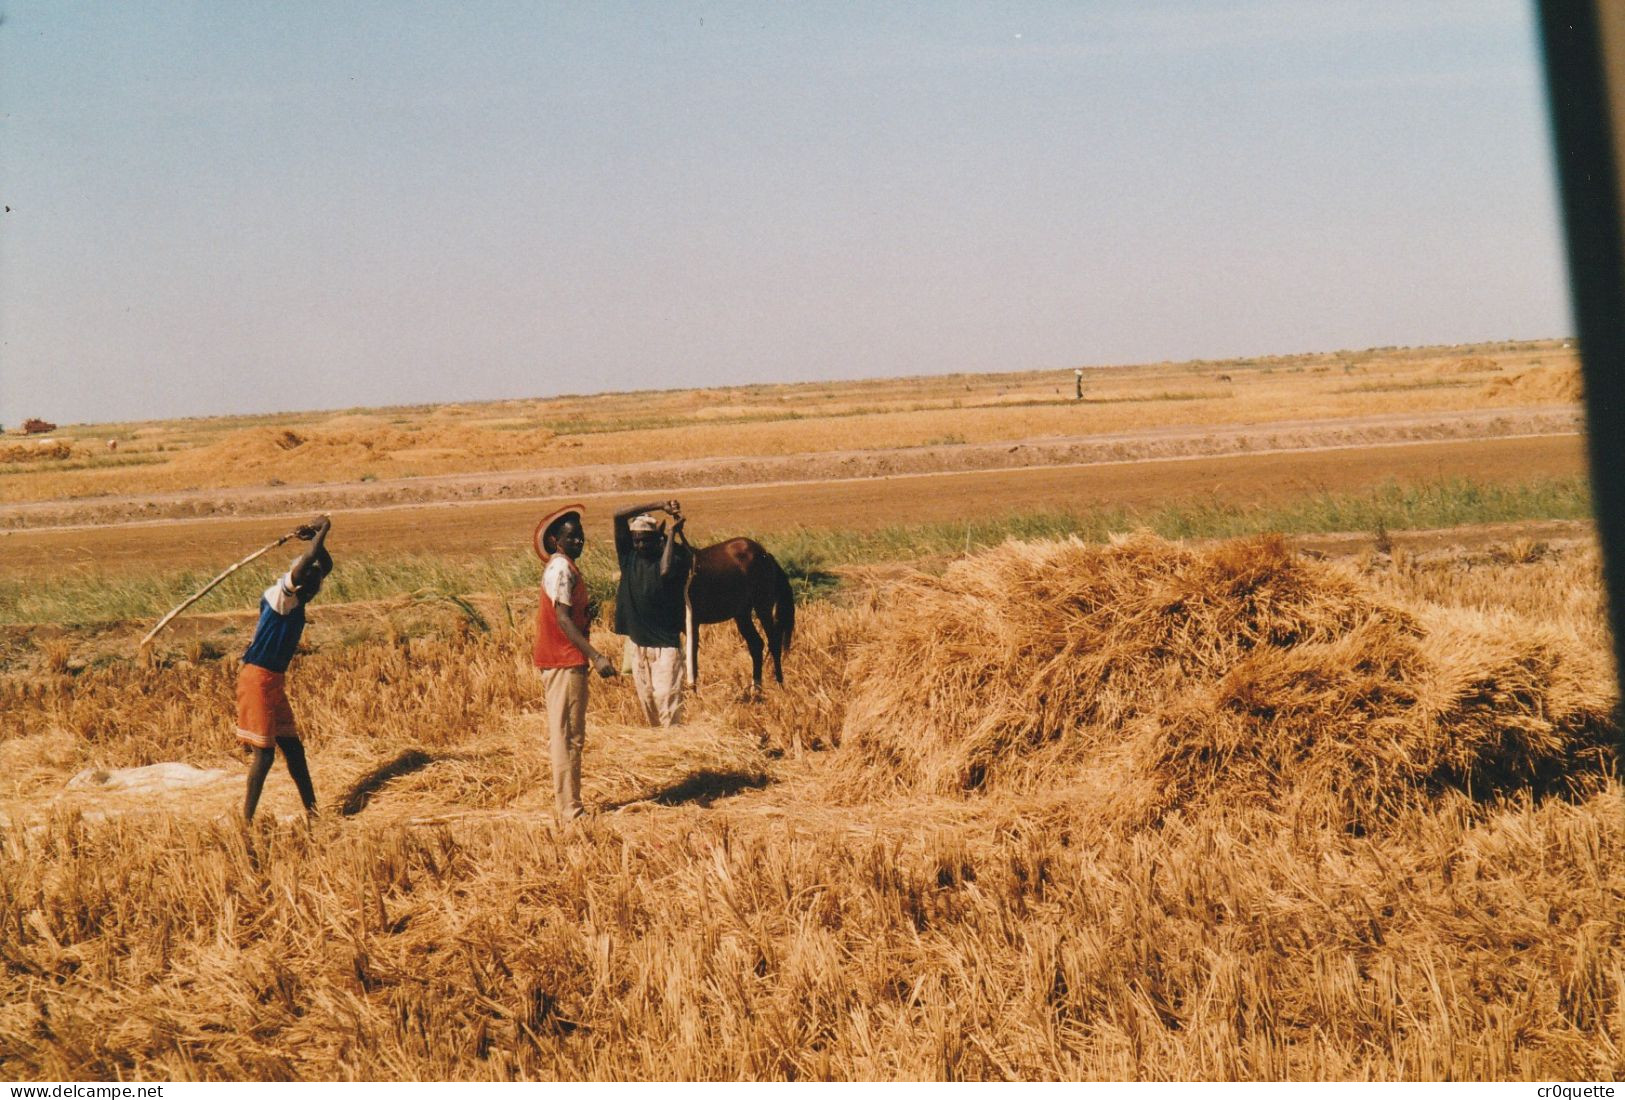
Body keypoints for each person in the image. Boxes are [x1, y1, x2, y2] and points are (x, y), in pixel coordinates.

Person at [238, 515, 332, 822]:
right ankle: (246, 822)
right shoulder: (282, 597)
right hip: (257, 679)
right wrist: (324, 530)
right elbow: (307, 564)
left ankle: (313, 813)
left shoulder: (298, 597)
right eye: (314, 583)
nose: (317, 588)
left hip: (273, 680)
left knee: (293, 749)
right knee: (264, 755)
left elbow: (322, 565)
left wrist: (317, 536)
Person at [533, 503, 617, 822]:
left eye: (580, 535)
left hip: (564, 660)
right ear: (555, 541)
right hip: (565, 661)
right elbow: (563, 620)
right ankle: (570, 810)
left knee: (569, 735)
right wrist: (595, 656)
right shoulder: (562, 569)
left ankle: (571, 803)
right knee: (567, 736)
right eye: (571, 537)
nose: (578, 541)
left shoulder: (562, 568)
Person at [613, 498, 692, 727]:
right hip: (639, 646)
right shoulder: (629, 558)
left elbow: (665, 571)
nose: (640, 546)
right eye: (636, 541)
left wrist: (670, 536)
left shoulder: (671, 558)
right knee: (648, 704)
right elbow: (619, 514)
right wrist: (658, 505)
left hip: (665, 647)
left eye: (645, 541)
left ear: (657, 540)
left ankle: (672, 749)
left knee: (667, 703)